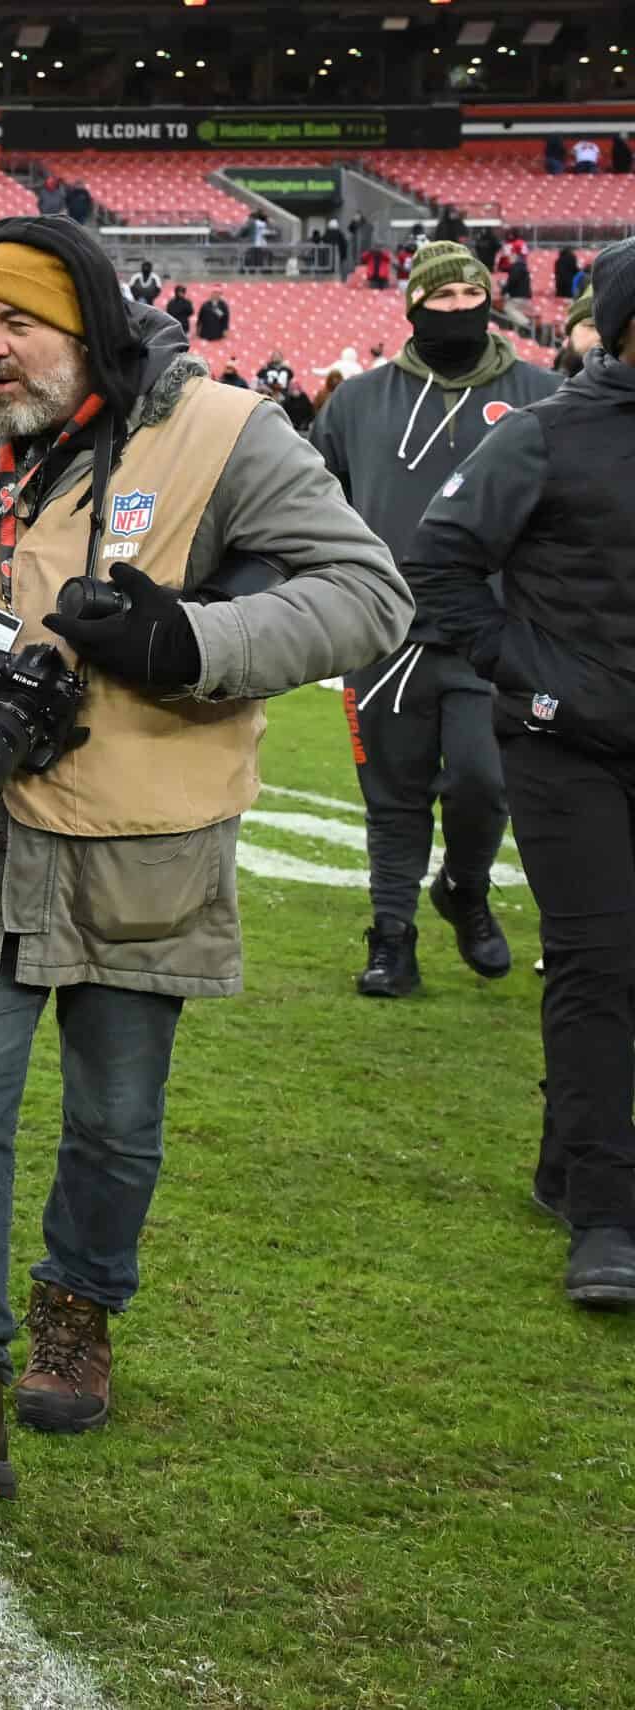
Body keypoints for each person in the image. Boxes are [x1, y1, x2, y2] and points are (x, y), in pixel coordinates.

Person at [0, 216, 409, 1499]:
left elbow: (368, 595)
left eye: (19, 323)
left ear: (90, 329)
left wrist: (188, 641)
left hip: (144, 840)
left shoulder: (221, 430)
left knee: (116, 1121)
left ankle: (77, 1306)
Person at [403, 235, 635, 1306]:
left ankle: (565, 1161)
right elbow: (440, 560)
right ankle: (606, 1212)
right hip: (565, 743)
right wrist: (530, 672)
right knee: (598, 961)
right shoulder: (544, 433)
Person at [309, 240, 560, 997]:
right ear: (413, 305)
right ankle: (391, 940)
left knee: (483, 783)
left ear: (490, 300)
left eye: (470, 295)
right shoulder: (357, 402)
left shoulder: (544, 394)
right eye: (441, 298)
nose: (458, 309)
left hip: (496, 632)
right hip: (386, 633)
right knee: (392, 798)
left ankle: (465, 887)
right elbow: (313, 503)